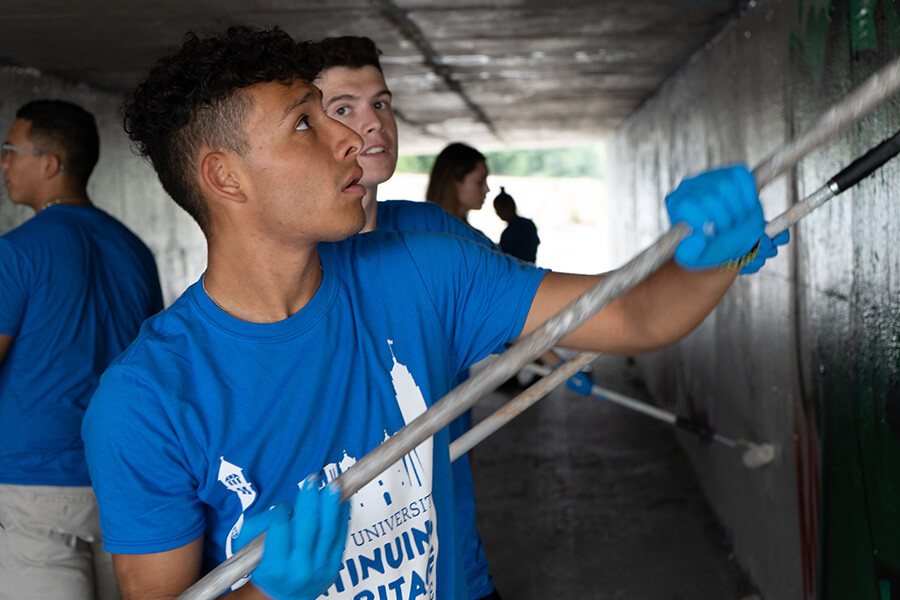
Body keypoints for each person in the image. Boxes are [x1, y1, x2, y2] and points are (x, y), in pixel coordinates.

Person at [81, 25, 773, 600]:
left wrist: (710, 258)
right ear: (225, 176)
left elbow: (635, 316)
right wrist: (266, 595)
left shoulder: (422, 272)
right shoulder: (146, 401)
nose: (352, 138)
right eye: (305, 123)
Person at [313, 35, 503, 600]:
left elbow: (528, 303)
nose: (373, 124)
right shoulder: (291, 260)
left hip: (452, 560)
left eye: (382, 104)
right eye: (343, 108)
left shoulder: (435, 234)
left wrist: (696, 266)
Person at [0, 99, 163, 599]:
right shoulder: (135, 251)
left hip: (33, 485)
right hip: (121, 479)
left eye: (10, 150)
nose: (3, 163)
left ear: (50, 164)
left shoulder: (16, 252)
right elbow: (151, 362)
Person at [492, 186, 539, 264]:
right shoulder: (529, 224)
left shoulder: (509, 232)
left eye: (498, 210)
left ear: (510, 207)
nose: (497, 213)